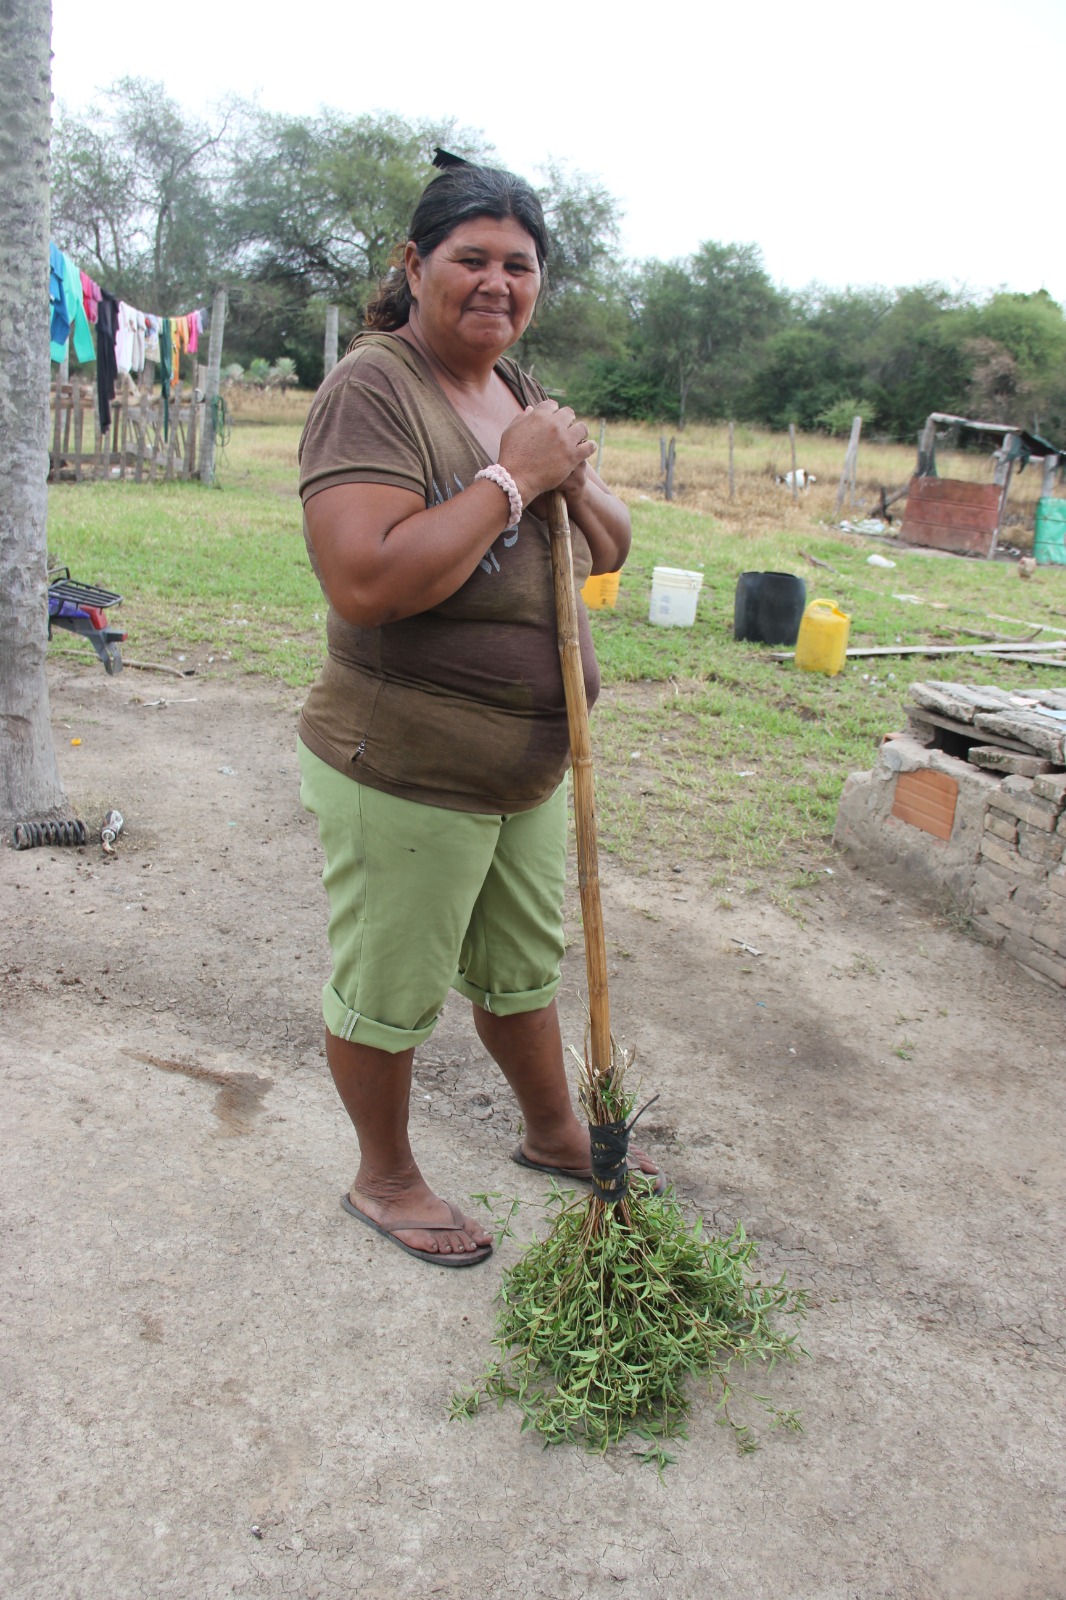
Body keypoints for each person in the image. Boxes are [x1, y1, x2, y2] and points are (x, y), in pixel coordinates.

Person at [297, 157, 662, 1269]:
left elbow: (610, 546)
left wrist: (563, 468)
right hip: (405, 760)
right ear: (414, 267)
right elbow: (368, 581)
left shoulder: (515, 387)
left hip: (528, 766)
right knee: (391, 982)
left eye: (519, 264)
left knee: (518, 967)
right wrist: (510, 481)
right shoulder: (375, 386)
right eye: (471, 260)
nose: (496, 283)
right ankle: (386, 1176)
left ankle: (553, 1133)